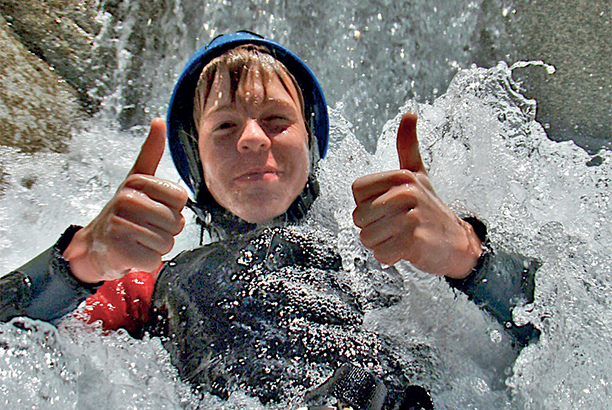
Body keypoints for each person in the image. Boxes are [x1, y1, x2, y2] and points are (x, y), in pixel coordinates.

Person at [0, 32, 539, 410]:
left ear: (311, 140)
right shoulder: (146, 287)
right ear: (197, 165)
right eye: (224, 125)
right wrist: (77, 262)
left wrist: (470, 257)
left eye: (277, 120)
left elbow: (569, 337)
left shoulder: (402, 256)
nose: (253, 139)